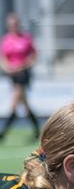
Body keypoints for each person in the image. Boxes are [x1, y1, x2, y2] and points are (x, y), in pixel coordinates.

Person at [0, 14, 40, 143]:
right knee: (24, 104)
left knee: (15, 103)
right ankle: (37, 131)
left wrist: (23, 65)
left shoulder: (26, 38)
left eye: (15, 24)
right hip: (12, 75)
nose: (13, 26)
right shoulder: (6, 40)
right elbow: (3, 58)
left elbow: (34, 56)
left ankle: (3, 133)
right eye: (11, 24)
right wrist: (7, 67)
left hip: (23, 75)